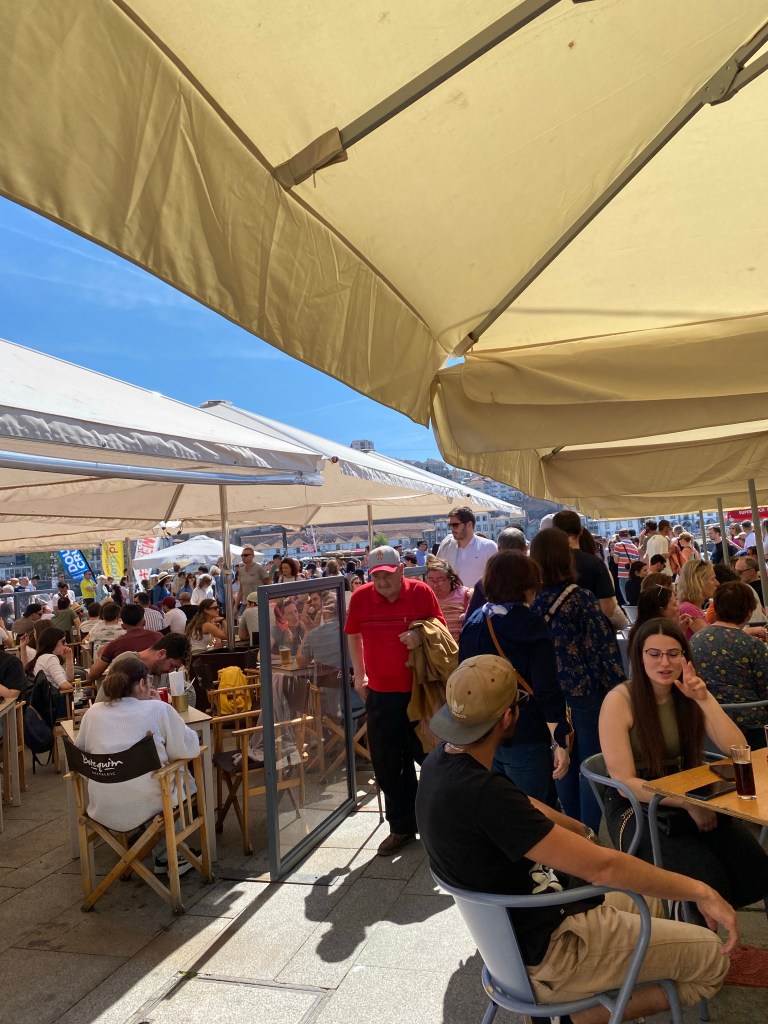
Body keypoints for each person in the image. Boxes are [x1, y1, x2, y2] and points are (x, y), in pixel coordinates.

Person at [416, 655, 736, 1019]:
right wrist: (703, 891)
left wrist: (581, 830)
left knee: (656, 901)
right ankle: (574, 1017)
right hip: (553, 951)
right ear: (507, 717)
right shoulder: (483, 795)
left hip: (522, 935)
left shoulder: (442, 763)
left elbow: (524, 804)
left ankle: (626, 976)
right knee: (713, 960)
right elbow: (604, 868)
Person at [599, 617, 768, 916]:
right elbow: (625, 783)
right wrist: (688, 803)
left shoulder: (688, 694)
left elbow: (737, 748)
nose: (664, 663)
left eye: (673, 654)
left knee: (759, 871)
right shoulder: (619, 700)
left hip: (689, 792)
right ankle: (696, 937)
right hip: (636, 805)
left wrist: (704, 699)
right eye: (654, 654)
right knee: (706, 880)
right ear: (639, 656)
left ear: (684, 657)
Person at [345, 544, 444, 855]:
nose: (382, 582)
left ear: (401, 570)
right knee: (387, 763)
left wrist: (420, 635)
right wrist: (359, 675)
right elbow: (353, 635)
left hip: (420, 691)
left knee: (430, 758)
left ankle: (438, 822)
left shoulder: (421, 592)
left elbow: (440, 629)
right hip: (380, 693)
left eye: (387, 575)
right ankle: (401, 827)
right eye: (376, 576)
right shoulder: (361, 597)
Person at [530, 528, 625, 831]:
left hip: (547, 696)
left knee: (561, 760)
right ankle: (589, 831)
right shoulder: (580, 597)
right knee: (591, 763)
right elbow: (602, 650)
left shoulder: (531, 601)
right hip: (584, 692)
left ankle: (572, 829)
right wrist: (619, 689)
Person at [459, 551, 570, 803]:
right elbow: (546, 687)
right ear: (525, 583)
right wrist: (559, 741)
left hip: (483, 735)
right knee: (534, 811)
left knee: (498, 809)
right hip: (525, 731)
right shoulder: (529, 623)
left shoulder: (474, 620)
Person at [76, 658, 200, 875]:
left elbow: (81, 754)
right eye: (149, 681)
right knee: (173, 772)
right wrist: (162, 706)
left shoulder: (92, 713)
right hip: (150, 804)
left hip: (102, 805)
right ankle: (174, 855)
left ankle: (162, 855)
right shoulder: (158, 709)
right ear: (142, 684)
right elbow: (189, 747)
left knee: (151, 777)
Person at [691, 581, 768, 748]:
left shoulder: (695, 639)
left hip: (706, 725)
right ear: (749, 612)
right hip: (751, 728)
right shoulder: (753, 646)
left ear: (716, 608)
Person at [552, 511, 626, 627]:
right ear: (581, 531)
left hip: (556, 630)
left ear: (553, 532)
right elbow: (608, 609)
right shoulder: (595, 563)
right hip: (591, 629)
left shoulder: (548, 564)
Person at [86, 604, 163, 683]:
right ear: (144, 622)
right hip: (159, 686)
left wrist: (101, 655)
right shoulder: (159, 637)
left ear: (123, 626)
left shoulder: (114, 645)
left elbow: (93, 674)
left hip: (127, 688)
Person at [436, 506, 497, 587]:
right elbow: (437, 573)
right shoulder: (446, 547)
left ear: (469, 525)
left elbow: (497, 579)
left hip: (479, 595)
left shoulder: (488, 547)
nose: (452, 529)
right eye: (450, 525)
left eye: (455, 525)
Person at [27, 626, 75, 716]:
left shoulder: (42, 657)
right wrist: (77, 689)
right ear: (53, 642)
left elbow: (69, 678)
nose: (66, 644)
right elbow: (65, 686)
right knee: (90, 695)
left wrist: (69, 658)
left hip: (46, 706)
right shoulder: (50, 658)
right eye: (63, 641)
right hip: (55, 705)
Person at [425, 558, 470, 641]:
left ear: (450, 579)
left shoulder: (466, 595)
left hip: (461, 645)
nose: (435, 585)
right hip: (436, 646)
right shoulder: (424, 597)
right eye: (431, 580)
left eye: (440, 580)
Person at [677, 559, 717, 639]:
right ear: (698, 582)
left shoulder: (692, 607)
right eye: (712, 579)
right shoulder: (688, 609)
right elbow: (711, 639)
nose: (717, 583)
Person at [611, 529, 639, 600]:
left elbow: (616, 561)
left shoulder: (618, 545)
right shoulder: (635, 547)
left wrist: (613, 555)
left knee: (625, 597)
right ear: (628, 535)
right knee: (632, 596)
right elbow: (636, 562)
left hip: (622, 574)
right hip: (632, 574)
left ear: (619, 536)